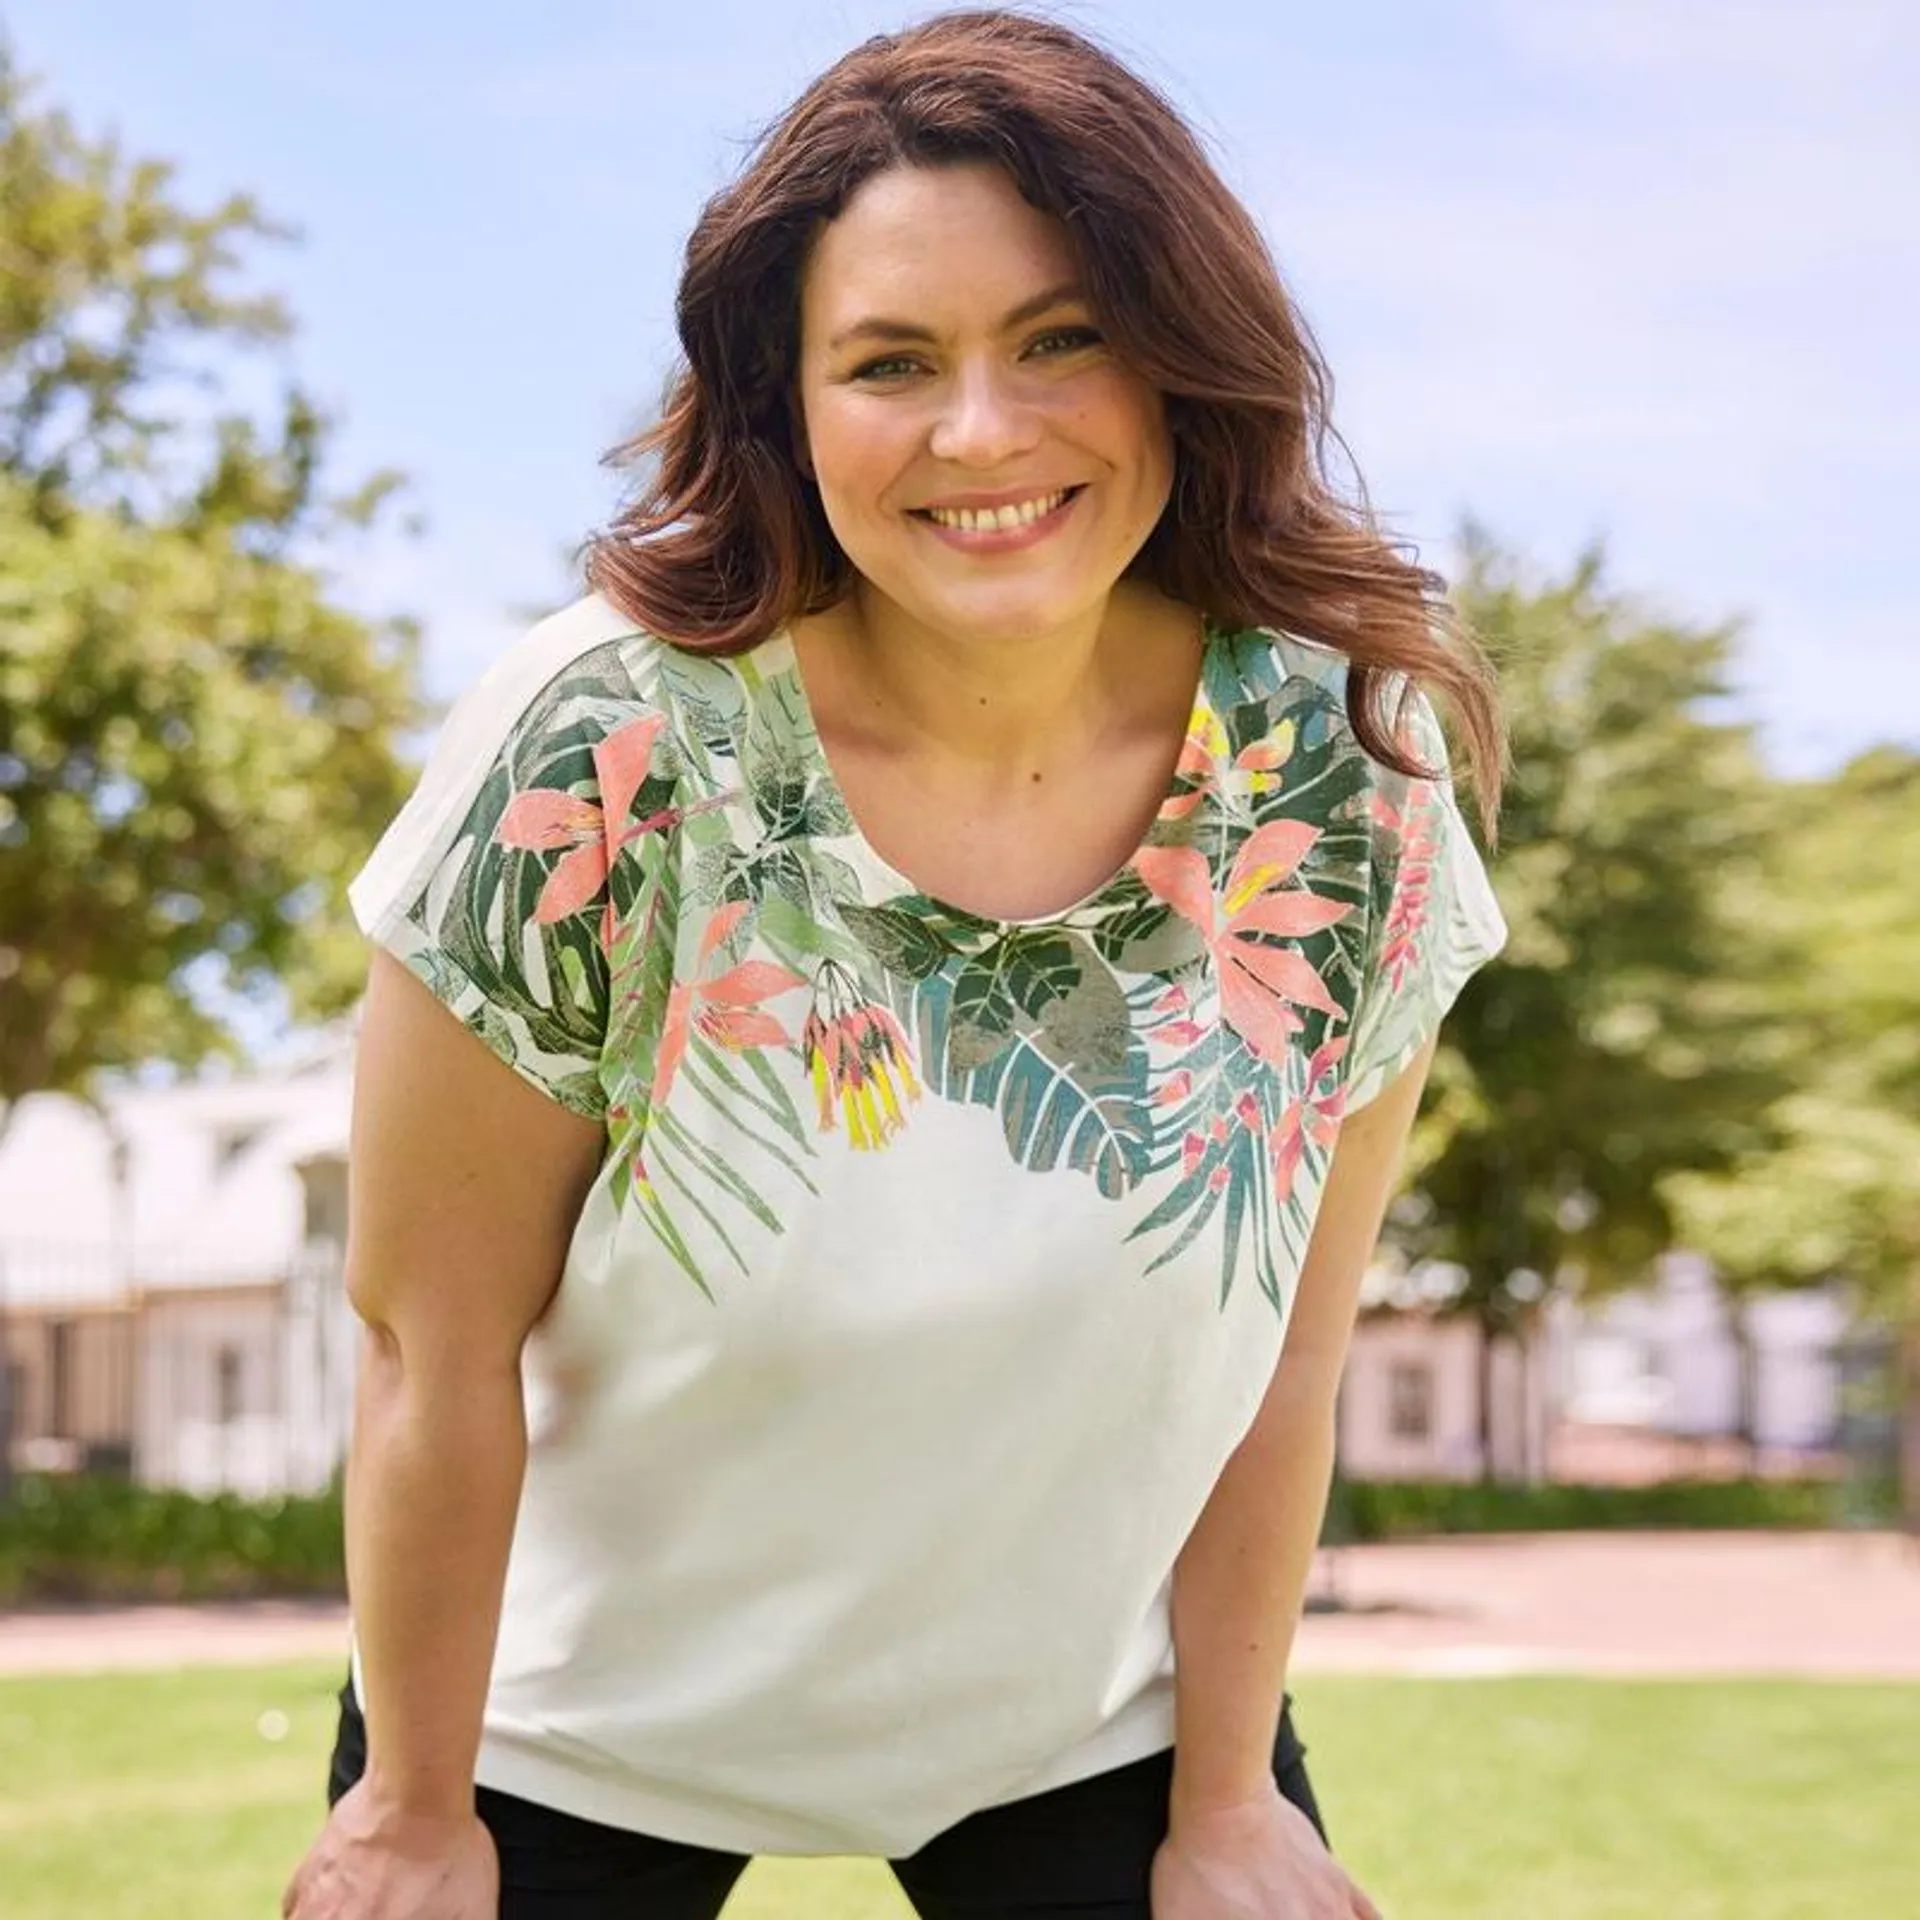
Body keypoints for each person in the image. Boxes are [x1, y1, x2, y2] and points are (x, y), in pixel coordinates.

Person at [284, 10, 1507, 1918]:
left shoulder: (1333, 777)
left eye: (1061, 338)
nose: (981, 434)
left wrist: (1227, 1804)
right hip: (564, 1720)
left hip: (1075, 1715)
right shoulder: (602, 751)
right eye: (891, 364)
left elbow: (1284, 1349)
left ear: (1182, 359)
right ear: (788, 408)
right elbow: (426, 1344)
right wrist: (417, 1815)